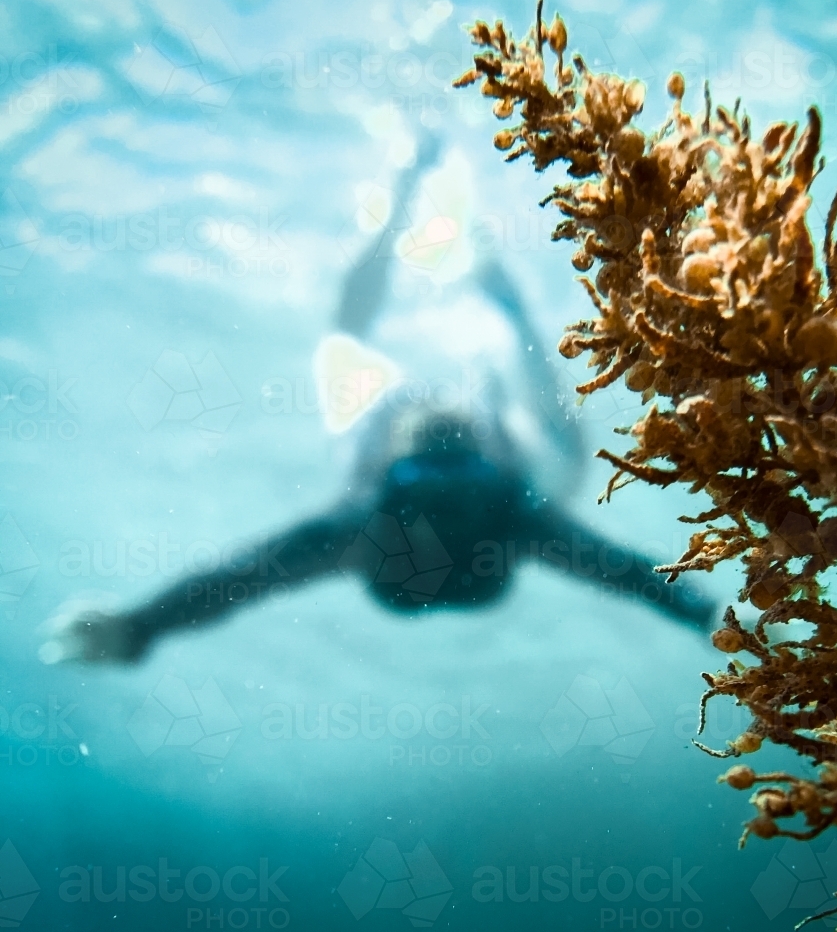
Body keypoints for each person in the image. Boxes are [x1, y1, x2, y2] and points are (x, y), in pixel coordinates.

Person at [39, 135, 715, 665]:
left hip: (421, 548)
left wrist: (141, 628)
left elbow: (246, 576)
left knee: (347, 349)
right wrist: (698, 612)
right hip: (497, 514)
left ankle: (454, 248)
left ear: (393, 467)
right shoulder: (514, 503)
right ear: (487, 455)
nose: (444, 430)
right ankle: (480, 260)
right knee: (528, 375)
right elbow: (623, 574)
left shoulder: (364, 516)